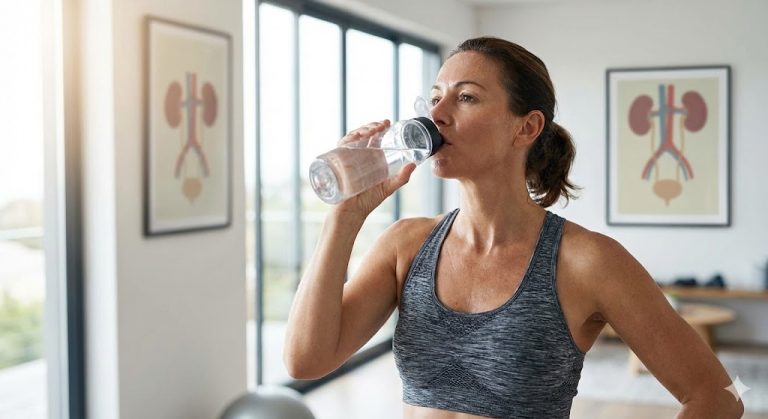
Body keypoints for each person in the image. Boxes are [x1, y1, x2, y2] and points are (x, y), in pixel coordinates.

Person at [283, 36, 744, 419]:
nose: (436, 115)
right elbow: (306, 360)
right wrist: (344, 217)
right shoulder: (405, 245)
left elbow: (716, 396)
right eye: (436, 95)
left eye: (465, 97)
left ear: (526, 128)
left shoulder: (585, 261)